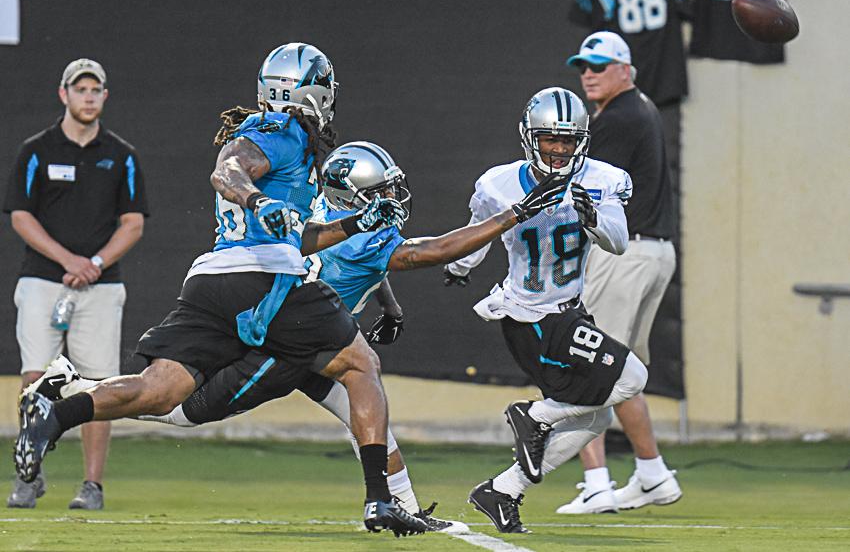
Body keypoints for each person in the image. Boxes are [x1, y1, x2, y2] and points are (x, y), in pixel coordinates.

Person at [27, 139, 569, 532]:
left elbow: (356, 263)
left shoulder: (313, 214)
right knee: (182, 410)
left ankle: (393, 505)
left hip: (306, 333)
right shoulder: (354, 233)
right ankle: (78, 387)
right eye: (381, 191)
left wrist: (389, 304)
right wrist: (511, 217)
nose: (392, 198)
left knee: (368, 402)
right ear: (353, 194)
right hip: (284, 345)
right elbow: (429, 251)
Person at [12, 42, 429, 537]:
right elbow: (228, 170)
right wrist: (255, 199)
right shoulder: (284, 131)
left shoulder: (276, 139)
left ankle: (57, 416)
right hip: (268, 281)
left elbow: (294, 232)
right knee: (362, 365)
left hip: (213, 282)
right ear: (312, 91)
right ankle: (380, 501)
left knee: (160, 391)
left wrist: (356, 222)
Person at [444, 87, 648, 533]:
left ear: (582, 141)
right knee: (634, 377)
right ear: (529, 137)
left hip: (569, 313)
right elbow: (477, 230)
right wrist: (461, 265)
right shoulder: (499, 183)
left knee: (599, 416)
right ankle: (535, 416)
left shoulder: (601, 178)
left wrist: (590, 214)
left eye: (567, 140)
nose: (558, 149)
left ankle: (503, 490)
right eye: (550, 139)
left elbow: (617, 241)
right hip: (531, 317)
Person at [3, 58, 148, 510]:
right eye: (79, 89)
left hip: (100, 287)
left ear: (105, 96)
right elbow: (20, 215)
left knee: (99, 384)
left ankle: (92, 485)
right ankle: (30, 476)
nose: (88, 97)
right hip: (43, 279)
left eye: (96, 90)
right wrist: (69, 260)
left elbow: (133, 222)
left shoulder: (121, 155)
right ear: (63, 94)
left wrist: (96, 263)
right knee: (34, 378)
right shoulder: (38, 150)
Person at [555, 31, 681, 514]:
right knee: (623, 373)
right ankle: (651, 474)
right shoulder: (640, 109)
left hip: (626, 257)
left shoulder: (618, 118)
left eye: (600, 65)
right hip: (655, 254)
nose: (588, 73)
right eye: (584, 65)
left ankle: (596, 482)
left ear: (625, 70)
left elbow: (581, 193)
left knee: (589, 365)